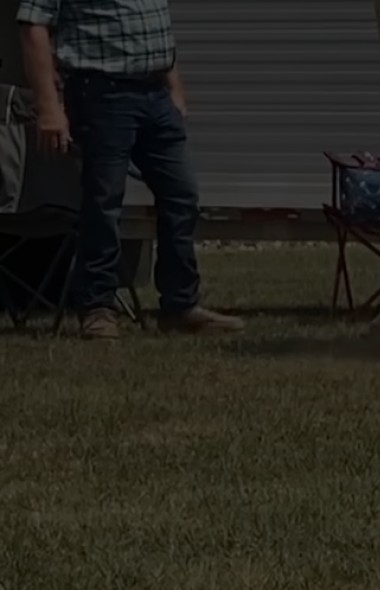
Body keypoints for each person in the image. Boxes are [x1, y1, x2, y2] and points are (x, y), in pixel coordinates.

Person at [17, 0, 244, 340]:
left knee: (182, 195)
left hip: (155, 95)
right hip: (101, 93)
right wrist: (49, 107)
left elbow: (153, 26)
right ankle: (97, 306)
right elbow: (32, 25)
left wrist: (174, 88)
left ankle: (180, 305)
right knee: (105, 200)